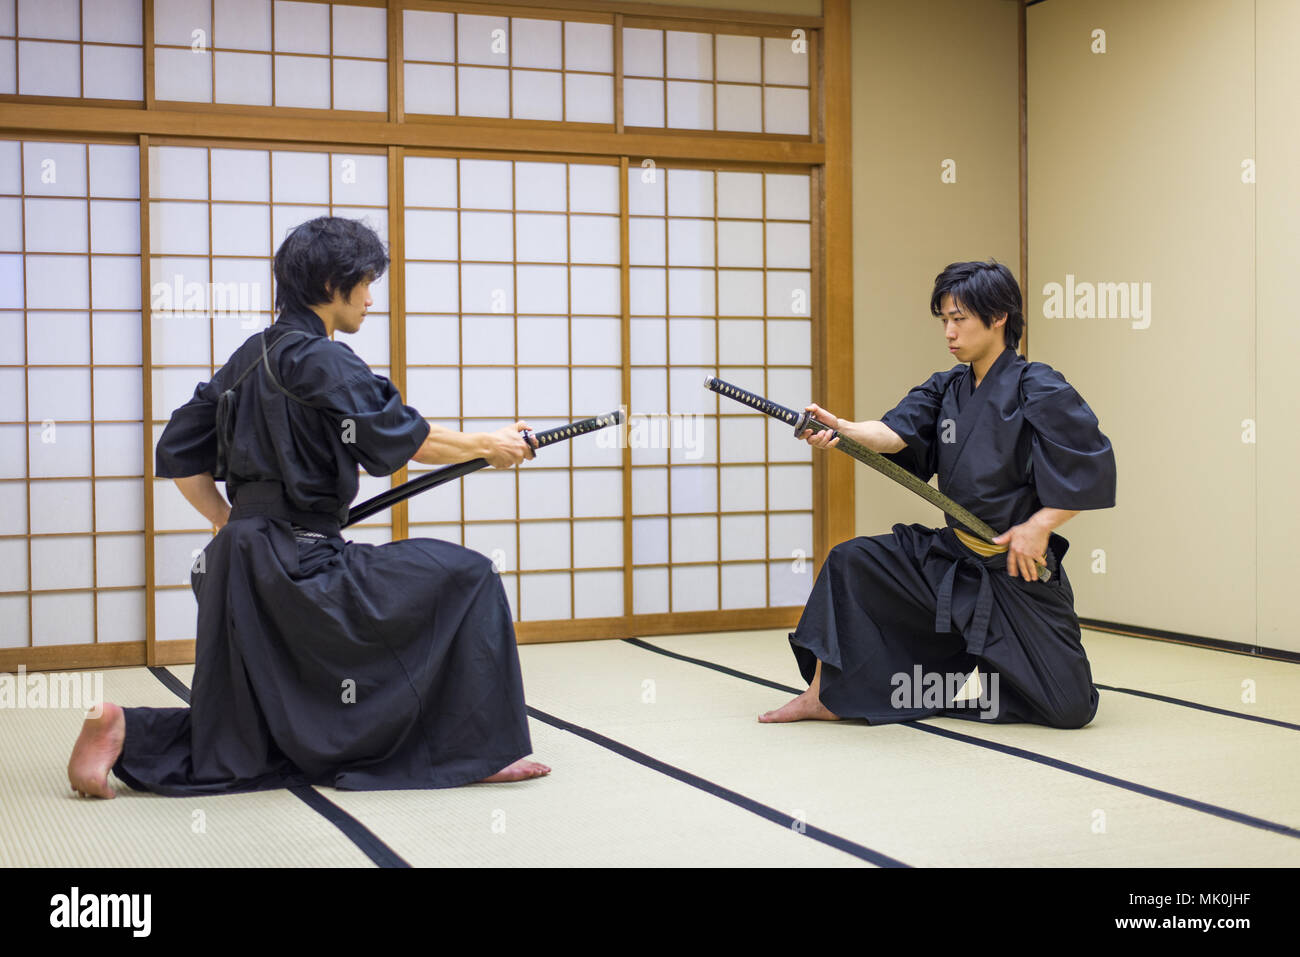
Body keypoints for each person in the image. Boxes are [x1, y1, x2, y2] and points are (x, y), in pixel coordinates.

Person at [68, 217, 549, 798]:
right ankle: (476, 749)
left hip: (234, 568)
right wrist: (487, 445)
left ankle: (126, 728)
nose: (372, 299)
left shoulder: (249, 356)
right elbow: (407, 438)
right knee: (468, 576)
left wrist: (230, 524)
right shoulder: (324, 359)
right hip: (302, 569)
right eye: (366, 282)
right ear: (330, 283)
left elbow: (175, 450)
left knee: (252, 729)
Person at [759, 260, 1116, 728]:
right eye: (944, 319)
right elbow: (892, 434)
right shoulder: (947, 386)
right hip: (952, 556)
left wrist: (1039, 525)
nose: (948, 331)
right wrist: (843, 429)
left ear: (999, 316)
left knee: (1070, 708)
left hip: (1013, 565)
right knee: (853, 561)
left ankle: (961, 688)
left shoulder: (1039, 387)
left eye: (959, 318)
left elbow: (1091, 464)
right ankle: (822, 694)